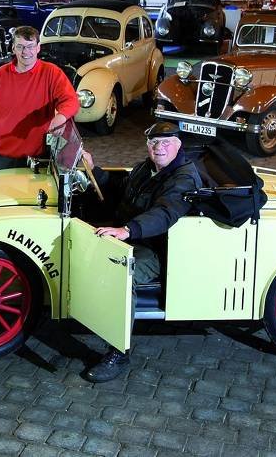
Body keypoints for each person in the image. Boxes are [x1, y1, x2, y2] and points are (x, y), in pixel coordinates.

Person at [82, 121, 201, 383]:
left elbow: (165, 213)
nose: (159, 147)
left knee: (120, 273)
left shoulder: (183, 178)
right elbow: (122, 187)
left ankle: (119, 350)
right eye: (153, 142)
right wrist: (93, 170)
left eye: (166, 142)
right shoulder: (146, 168)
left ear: (178, 145)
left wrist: (127, 230)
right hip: (131, 233)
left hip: (155, 247)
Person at [0, 25, 79, 173]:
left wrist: (60, 118)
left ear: (38, 48)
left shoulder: (51, 73)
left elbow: (71, 100)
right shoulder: (0, 75)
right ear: (13, 48)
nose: (26, 52)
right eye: (20, 47)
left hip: (33, 160)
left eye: (30, 46)